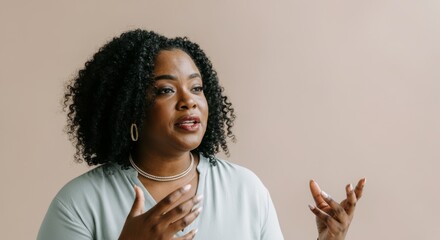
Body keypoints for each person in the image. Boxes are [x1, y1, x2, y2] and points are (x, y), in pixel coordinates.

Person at [37, 29, 366, 240]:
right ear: (128, 107)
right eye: (166, 90)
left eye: (196, 88)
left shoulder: (244, 189)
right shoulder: (79, 204)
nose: (188, 101)